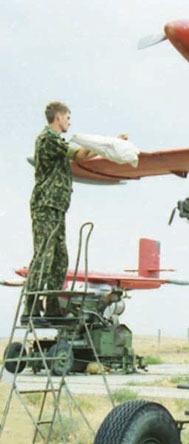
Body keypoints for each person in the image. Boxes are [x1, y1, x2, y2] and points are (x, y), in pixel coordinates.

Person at [23, 102, 98, 320]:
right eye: (67, 117)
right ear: (58, 117)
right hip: (46, 206)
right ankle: (31, 305)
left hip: (56, 207)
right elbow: (80, 155)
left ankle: (52, 306)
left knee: (59, 259)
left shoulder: (54, 141)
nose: (69, 122)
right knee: (44, 256)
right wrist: (106, 146)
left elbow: (80, 155)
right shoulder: (49, 138)